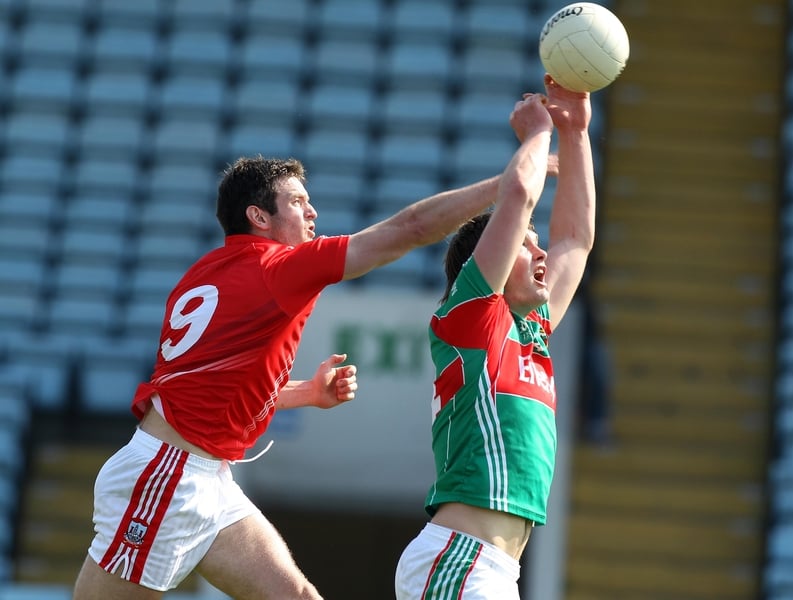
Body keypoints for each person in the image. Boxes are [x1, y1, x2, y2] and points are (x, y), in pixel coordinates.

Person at [73, 125, 559, 598]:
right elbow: (408, 229)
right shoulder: (277, 267)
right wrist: (503, 189)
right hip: (167, 476)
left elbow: (210, 389)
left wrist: (306, 392)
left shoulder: (206, 272)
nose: (312, 211)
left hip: (202, 474)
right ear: (259, 217)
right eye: (297, 202)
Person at [395, 74, 595, 599]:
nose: (543, 253)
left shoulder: (531, 330)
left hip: (491, 569)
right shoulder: (472, 317)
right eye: (528, 244)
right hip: (461, 559)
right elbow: (521, 193)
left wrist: (576, 131)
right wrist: (538, 132)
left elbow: (576, 240)